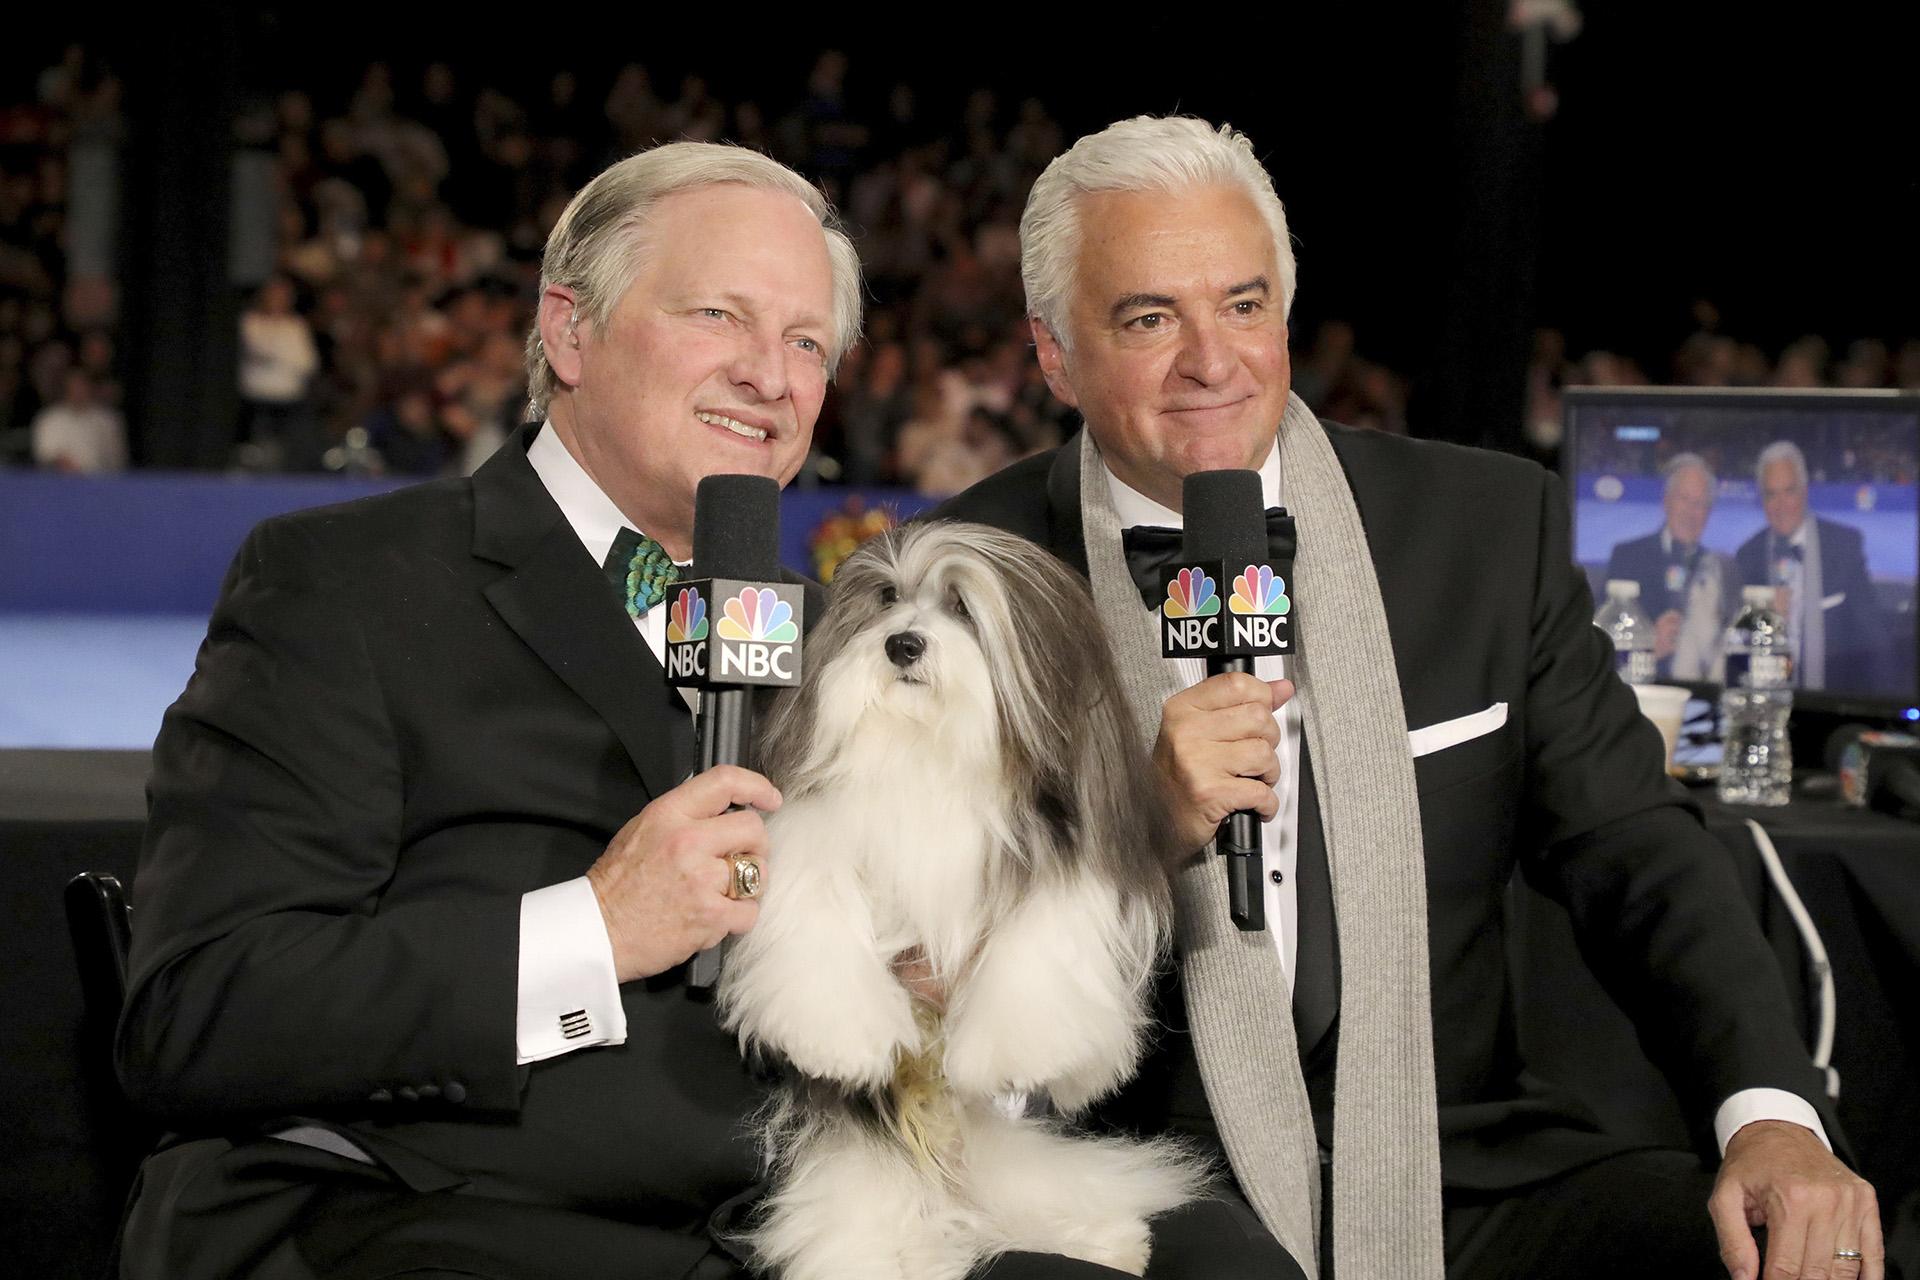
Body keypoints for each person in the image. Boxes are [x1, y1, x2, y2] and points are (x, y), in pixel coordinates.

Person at [935, 116, 1882, 1280]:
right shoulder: (955, 577)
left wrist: (1771, 1118)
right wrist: (1134, 829)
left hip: (1457, 1156)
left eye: (1242, 304)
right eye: (1147, 318)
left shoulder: (1487, 529)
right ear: (1053, 354)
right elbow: (927, 957)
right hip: (1135, 1175)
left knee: (1809, 1259)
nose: (1212, 359)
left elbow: (1638, 850)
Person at [116, 141, 859, 1280]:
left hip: (795, 1230)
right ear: (569, 331)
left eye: (807, 341)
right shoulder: (347, 584)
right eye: (720, 314)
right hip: (420, 1229)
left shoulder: (834, 640)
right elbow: (201, 1011)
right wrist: (595, 928)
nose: (772, 373)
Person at [1734, 441, 1893, 694]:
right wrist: (1762, 623)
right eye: (1771, 494)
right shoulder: (1747, 556)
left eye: (1789, 491)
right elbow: (1736, 656)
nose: (1781, 505)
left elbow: (1874, 641)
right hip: (1764, 704)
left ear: (1805, 491)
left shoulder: (1844, 546)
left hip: (1832, 704)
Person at [1602, 452, 1740, 680]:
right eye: (1684, 499)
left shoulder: (1723, 570)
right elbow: (1597, 645)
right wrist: (1647, 648)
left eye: (1700, 504)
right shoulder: (1627, 557)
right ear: (1666, 501)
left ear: (1709, 513)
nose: (1691, 512)